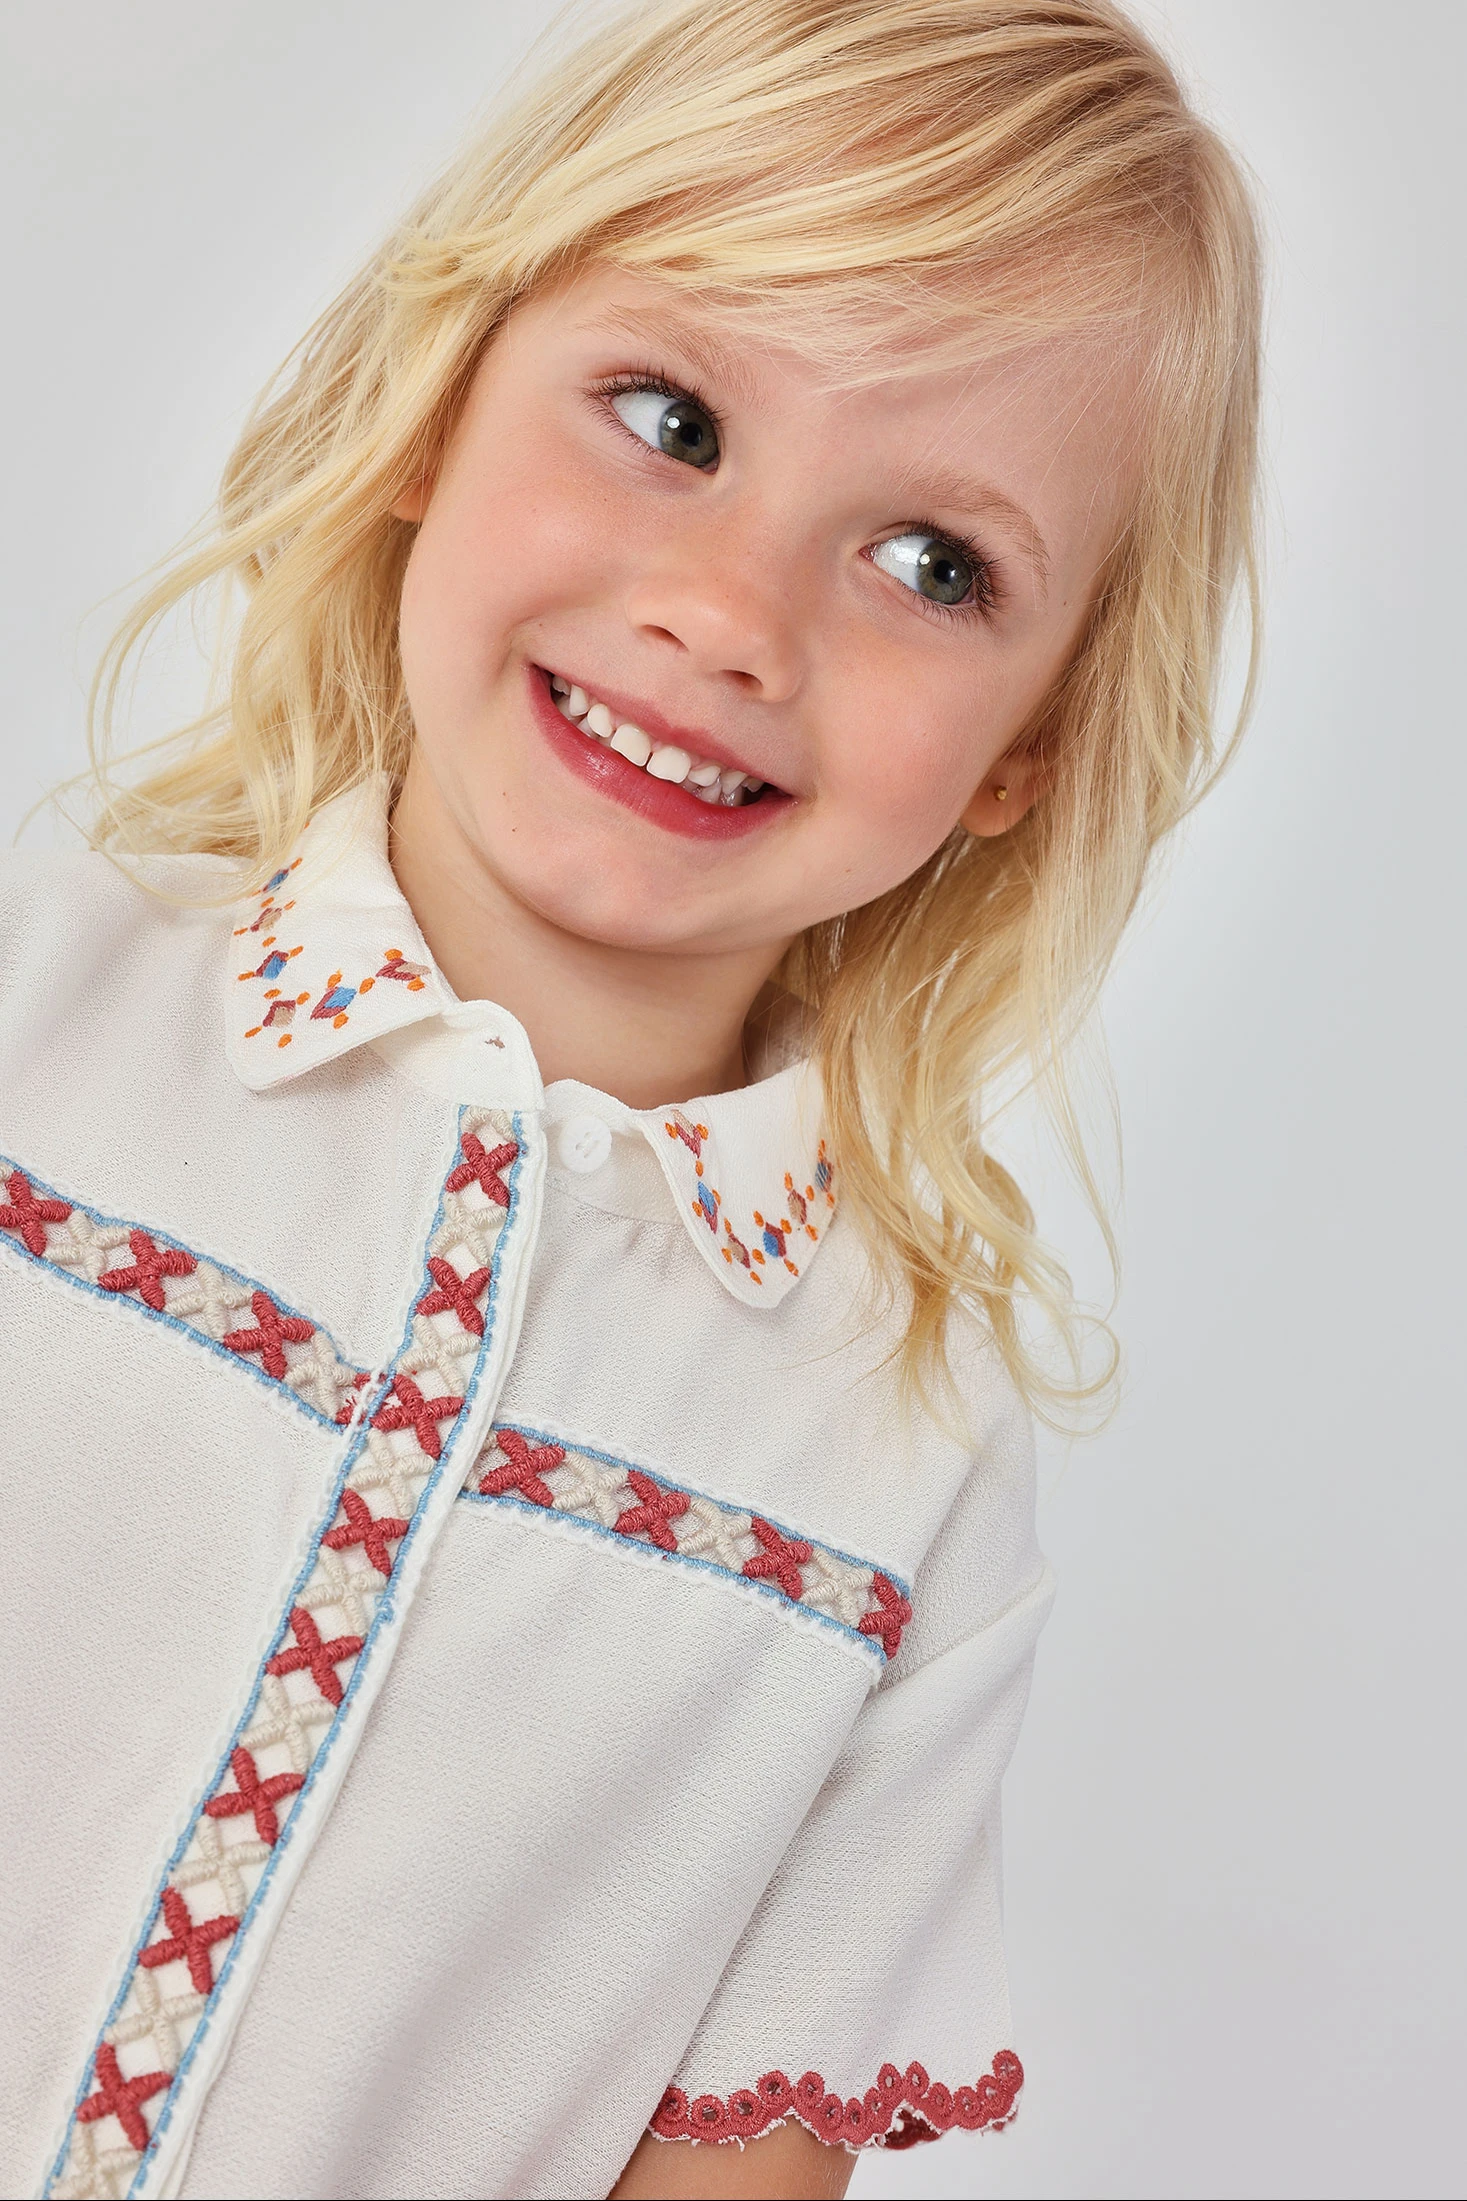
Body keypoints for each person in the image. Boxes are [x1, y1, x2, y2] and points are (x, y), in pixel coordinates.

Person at [0, 1, 1261, 2195]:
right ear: (434, 403)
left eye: (931, 563)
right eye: (672, 421)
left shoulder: (899, 1467)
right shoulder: (32, 1010)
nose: (728, 615)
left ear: (1030, 752)